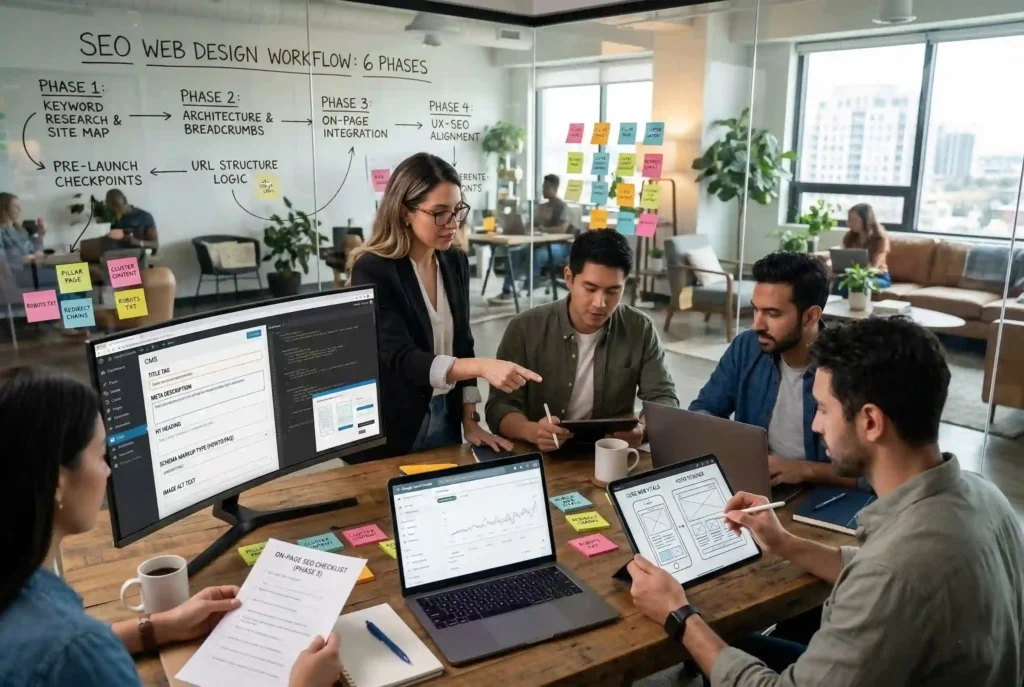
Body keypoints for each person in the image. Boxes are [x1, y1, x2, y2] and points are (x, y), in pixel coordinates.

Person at [627, 317, 1024, 686]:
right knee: (733, 641)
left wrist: (679, 614)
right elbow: (873, 570)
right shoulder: (983, 494)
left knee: (708, 637)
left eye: (822, 409)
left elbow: (886, 577)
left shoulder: (892, 574)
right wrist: (784, 542)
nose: (816, 425)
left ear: (870, 422)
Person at [0, 366, 343, 687]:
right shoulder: (77, 652)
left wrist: (161, 626)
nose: (108, 471)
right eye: (101, 453)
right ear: (57, 481)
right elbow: (72, 653)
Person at [350, 152, 540, 457]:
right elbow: (402, 359)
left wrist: (471, 421)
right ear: (405, 212)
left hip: (446, 418)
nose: (453, 223)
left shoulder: (453, 260)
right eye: (439, 213)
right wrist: (482, 367)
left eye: (457, 210)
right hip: (395, 428)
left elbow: (463, 344)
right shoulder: (373, 269)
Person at [486, 229, 678, 450]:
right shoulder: (525, 328)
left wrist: (643, 429)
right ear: (569, 278)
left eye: (613, 291)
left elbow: (664, 397)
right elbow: (499, 406)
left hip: (612, 453)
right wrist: (531, 431)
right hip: (539, 454)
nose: (600, 303)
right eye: (590, 288)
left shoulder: (640, 328)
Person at [690, 251, 857, 489]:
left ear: (810, 316)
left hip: (823, 493)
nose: (757, 325)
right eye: (756, 310)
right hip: (757, 484)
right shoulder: (747, 347)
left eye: (772, 314)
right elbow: (705, 409)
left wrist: (805, 470)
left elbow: (878, 472)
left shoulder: (849, 365)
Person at [488, 174, 572, 305]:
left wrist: (543, 229)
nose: (543, 190)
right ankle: (508, 290)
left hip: (559, 245)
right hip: (539, 242)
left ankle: (526, 289)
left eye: (546, 188)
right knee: (516, 253)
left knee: (537, 255)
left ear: (555, 188)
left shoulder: (562, 206)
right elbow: (531, 224)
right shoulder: (542, 207)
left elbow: (562, 229)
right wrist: (526, 228)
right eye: (543, 188)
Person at [0, 191, 54, 289]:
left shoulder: (19, 231)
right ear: (4, 209)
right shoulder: (1, 232)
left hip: (32, 271)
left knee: (73, 274)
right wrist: (24, 260)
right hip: (15, 277)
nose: (20, 209)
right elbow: (2, 263)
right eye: (15, 206)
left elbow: (34, 251)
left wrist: (40, 234)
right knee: (64, 276)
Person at [836, 203, 891, 295]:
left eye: (854, 220)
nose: (849, 223)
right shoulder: (849, 237)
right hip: (852, 276)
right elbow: (845, 261)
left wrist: (857, 275)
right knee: (839, 282)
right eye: (849, 219)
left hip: (878, 277)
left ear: (866, 220)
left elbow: (873, 268)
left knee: (859, 284)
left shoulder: (880, 238)